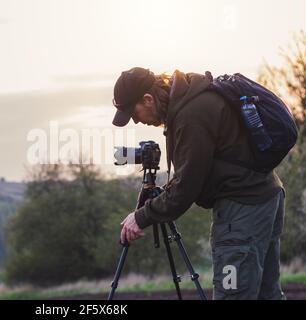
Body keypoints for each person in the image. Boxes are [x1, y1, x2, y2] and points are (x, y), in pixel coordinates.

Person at [112, 67, 286, 300]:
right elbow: (196, 171)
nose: (138, 121)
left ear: (147, 99)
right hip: (264, 198)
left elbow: (185, 190)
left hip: (242, 213)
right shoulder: (193, 98)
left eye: (134, 114)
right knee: (268, 295)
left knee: (231, 294)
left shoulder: (190, 115)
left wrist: (141, 217)